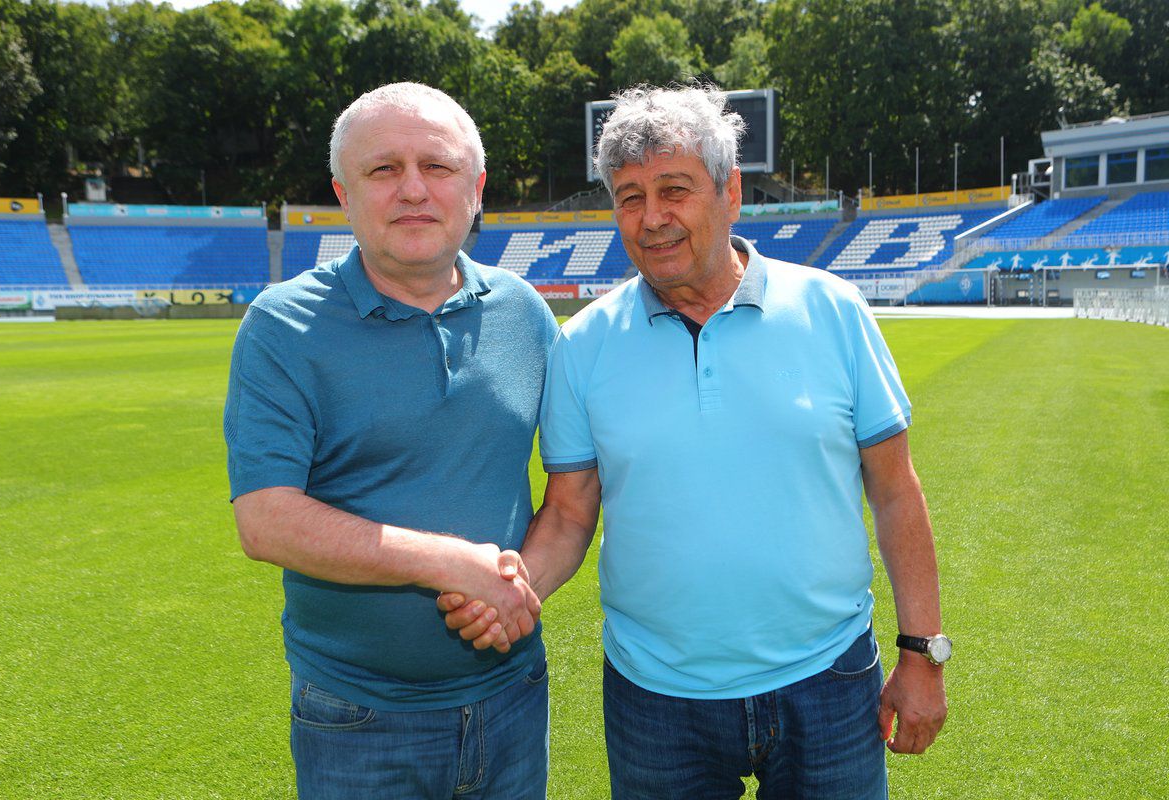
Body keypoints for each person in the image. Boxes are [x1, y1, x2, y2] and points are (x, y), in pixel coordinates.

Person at [442, 85, 949, 799]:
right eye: (629, 197)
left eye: (674, 190)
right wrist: (513, 591)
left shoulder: (832, 309)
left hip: (829, 681)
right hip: (656, 698)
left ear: (730, 192)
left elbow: (897, 491)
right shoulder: (582, 345)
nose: (652, 219)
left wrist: (923, 652)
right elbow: (568, 513)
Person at [224, 82, 558, 799]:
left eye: (436, 167)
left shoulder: (524, 313)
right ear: (344, 193)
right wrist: (447, 562)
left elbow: (574, 488)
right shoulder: (282, 325)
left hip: (513, 696)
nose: (413, 190)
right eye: (383, 170)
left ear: (476, 189)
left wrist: (511, 594)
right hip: (356, 717)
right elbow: (265, 519)